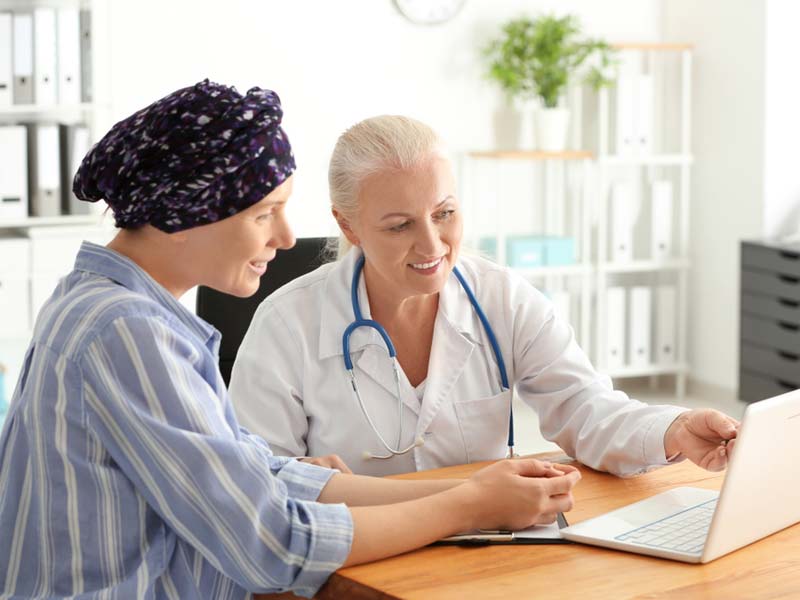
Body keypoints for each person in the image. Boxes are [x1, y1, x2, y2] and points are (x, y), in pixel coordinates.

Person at [0, 82, 581, 600]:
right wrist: (467, 508)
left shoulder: (111, 305)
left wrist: (473, 486)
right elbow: (272, 544)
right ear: (182, 217)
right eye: (264, 214)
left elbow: (258, 472)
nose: (285, 237)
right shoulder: (125, 333)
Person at [229, 115, 740, 478]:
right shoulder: (286, 325)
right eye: (400, 225)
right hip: (354, 553)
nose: (432, 245)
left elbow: (586, 409)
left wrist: (675, 427)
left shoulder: (502, 298)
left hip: (485, 549)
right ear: (349, 225)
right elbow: (258, 481)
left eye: (444, 213)